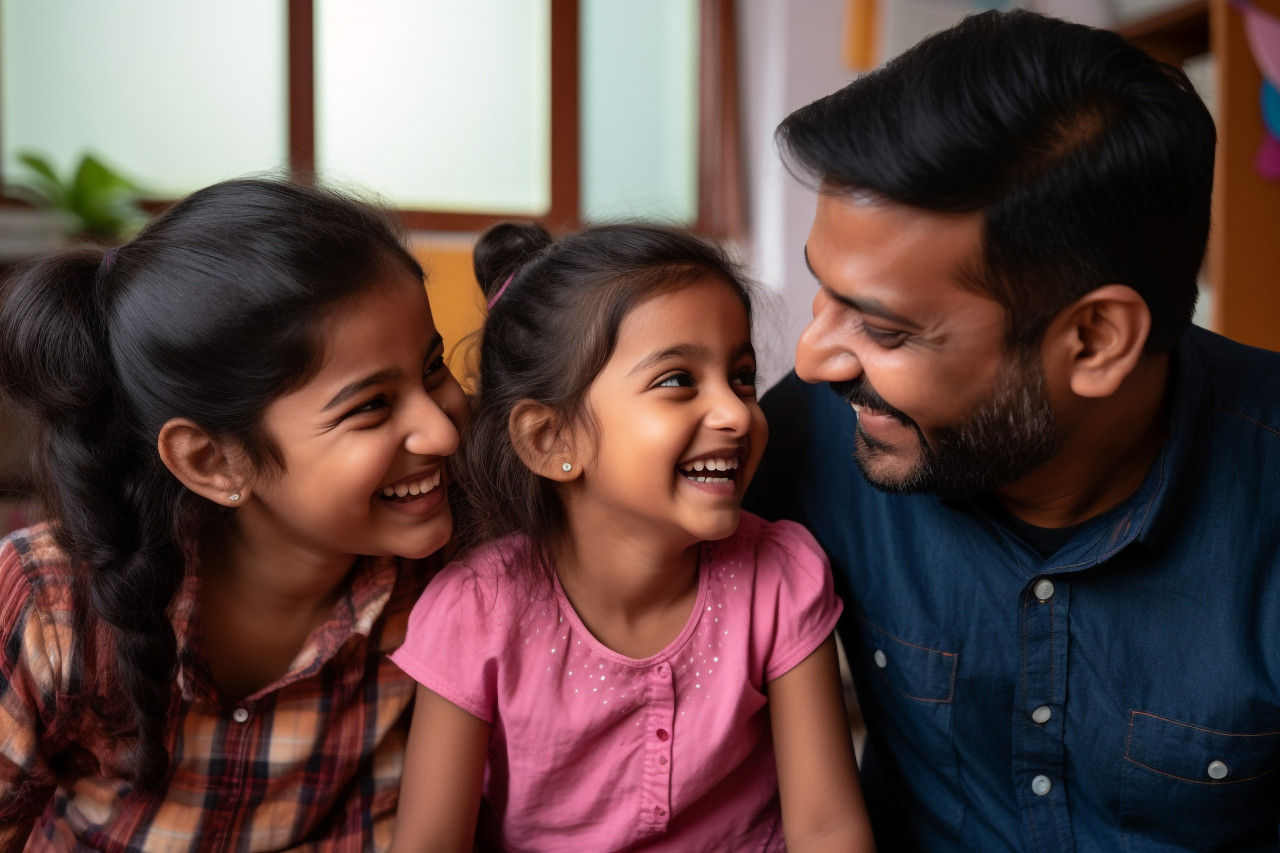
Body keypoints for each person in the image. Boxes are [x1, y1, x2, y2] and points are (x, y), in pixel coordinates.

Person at [747, 7, 1280, 852]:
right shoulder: (814, 433)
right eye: (825, 292)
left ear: (1095, 340)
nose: (813, 361)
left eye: (884, 329)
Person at [0, 178, 467, 851]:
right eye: (370, 406)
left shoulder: (451, 588)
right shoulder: (50, 607)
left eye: (433, 369)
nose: (442, 432)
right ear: (213, 463)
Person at [387, 222, 875, 852]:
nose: (735, 413)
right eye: (677, 380)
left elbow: (828, 828)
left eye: (742, 376)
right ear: (551, 440)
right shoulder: (477, 612)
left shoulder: (779, 577)